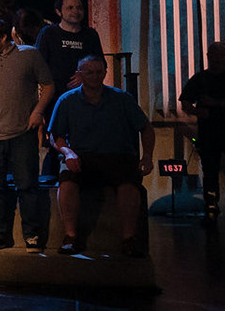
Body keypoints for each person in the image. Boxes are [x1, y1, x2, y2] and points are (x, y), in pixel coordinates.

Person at [48, 55, 153, 256]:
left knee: (129, 183)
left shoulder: (122, 98)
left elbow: (145, 128)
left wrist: (147, 156)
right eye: (89, 72)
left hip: (117, 155)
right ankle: (70, 236)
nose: (95, 77)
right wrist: (68, 152)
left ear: (105, 73)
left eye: (99, 72)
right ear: (79, 74)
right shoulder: (67, 100)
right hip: (82, 156)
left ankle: (129, 239)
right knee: (67, 180)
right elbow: (55, 136)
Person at [0, 20, 56, 251]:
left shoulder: (29, 55)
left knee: (27, 186)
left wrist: (38, 112)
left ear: (4, 36)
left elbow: (48, 85)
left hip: (22, 133)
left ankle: (32, 236)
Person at [179, 40, 225, 221]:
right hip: (217, 134)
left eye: (220, 55)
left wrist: (208, 107)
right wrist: (200, 111)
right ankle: (222, 210)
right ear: (209, 57)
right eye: (215, 55)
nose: (217, 59)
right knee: (216, 174)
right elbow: (186, 102)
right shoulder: (208, 79)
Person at [35, 0, 104, 94]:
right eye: (70, 8)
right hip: (54, 94)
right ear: (59, 12)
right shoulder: (49, 33)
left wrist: (84, 75)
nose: (75, 11)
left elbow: (101, 64)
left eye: (79, 8)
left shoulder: (90, 34)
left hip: (84, 93)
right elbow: (38, 64)